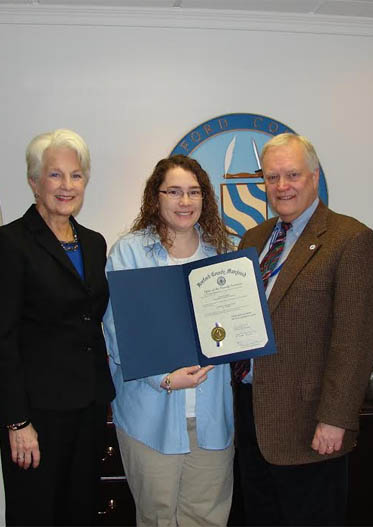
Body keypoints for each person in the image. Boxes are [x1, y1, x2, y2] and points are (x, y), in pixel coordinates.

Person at [232, 133, 373, 525]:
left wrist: (336, 417)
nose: (281, 186)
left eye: (292, 174)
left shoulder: (350, 239)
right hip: (249, 420)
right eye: (271, 177)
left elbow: (356, 338)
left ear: (314, 177)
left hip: (310, 426)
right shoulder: (254, 239)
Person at [0, 129, 115, 526]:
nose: (66, 185)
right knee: (36, 514)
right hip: (36, 415)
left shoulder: (93, 243)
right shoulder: (9, 244)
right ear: (34, 182)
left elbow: (93, 318)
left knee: (81, 511)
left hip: (89, 406)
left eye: (76, 175)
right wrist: (16, 422)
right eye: (55, 175)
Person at [103, 155, 235, 526]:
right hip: (150, 416)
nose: (185, 201)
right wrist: (162, 378)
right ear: (155, 197)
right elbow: (118, 332)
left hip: (212, 419)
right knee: (156, 518)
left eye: (194, 192)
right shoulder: (129, 252)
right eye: (174, 191)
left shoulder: (223, 252)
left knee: (206, 518)